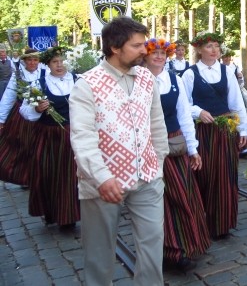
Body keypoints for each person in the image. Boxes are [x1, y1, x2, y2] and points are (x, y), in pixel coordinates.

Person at [69, 17, 169, 286]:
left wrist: (158, 162)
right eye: (137, 46)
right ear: (114, 47)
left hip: (148, 177)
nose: (144, 51)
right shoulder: (86, 85)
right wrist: (101, 177)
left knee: (152, 246)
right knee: (99, 252)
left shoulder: (147, 78)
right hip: (103, 182)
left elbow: (156, 123)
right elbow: (82, 136)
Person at [144, 38, 209, 272]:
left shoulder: (175, 80)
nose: (159, 57)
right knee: (157, 200)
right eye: (154, 53)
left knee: (183, 195)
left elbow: (184, 115)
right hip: (148, 145)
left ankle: (188, 244)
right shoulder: (137, 79)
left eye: (163, 53)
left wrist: (193, 149)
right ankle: (169, 250)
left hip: (174, 144)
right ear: (145, 55)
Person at [181, 31, 247, 240]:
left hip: (225, 129)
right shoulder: (190, 74)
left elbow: (236, 101)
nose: (214, 50)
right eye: (209, 46)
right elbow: (183, 105)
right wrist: (198, 112)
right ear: (199, 50)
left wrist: (243, 129)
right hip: (203, 132)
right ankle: (205, 221)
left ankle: (223, 222)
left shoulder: (227, 71)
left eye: (216, 46)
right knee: (207, 175)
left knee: (226, 175)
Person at [20, 47, 79, 231]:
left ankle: (68, 217)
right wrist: (37, 109)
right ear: (48, 65)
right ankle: (50, 211)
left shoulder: (78, 80)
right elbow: (24, 110)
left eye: (62, 61)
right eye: (55, 62)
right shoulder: (39, 84)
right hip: (48, 136)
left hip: (73, 135)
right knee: (48, 176)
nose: (59, 65)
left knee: (70, 177)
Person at [0, 48, 46, 185]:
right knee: (24, 145)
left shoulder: (45, 73)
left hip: (42, 114)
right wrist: (1, 119)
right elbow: (8, 96)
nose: (32, 62)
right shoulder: (18, 75)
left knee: (40, 147)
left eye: (35, 59)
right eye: (29, 60)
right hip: (22, 115)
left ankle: (39, 176)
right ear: (24, 61)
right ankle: (26, 176)